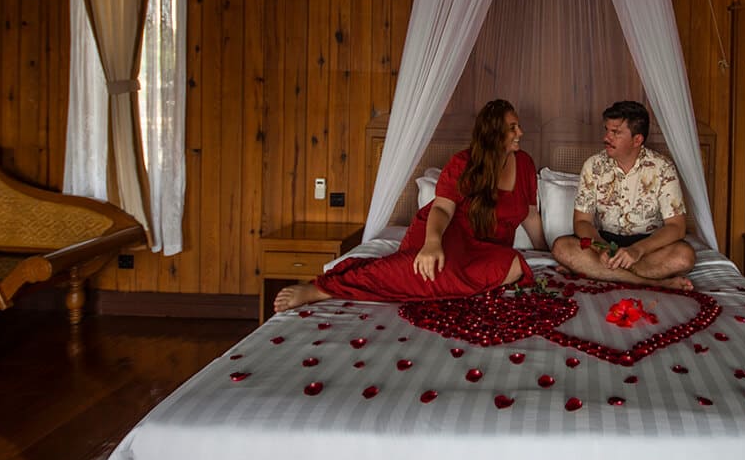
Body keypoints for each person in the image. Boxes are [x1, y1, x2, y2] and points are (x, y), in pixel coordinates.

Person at [273, 99, 546, 311]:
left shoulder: (524, 164)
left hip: (486, 250)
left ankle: (434, 282)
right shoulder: (463, 164)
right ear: (493, 133)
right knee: (437, 266)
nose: (520, 132)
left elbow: (530, 215)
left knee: (514, 266)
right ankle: (324, 289)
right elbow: (441, 209)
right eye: (512, 128)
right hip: (449, 234)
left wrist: (546, 252)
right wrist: (432, 242)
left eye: (517, 126)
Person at [551, 101, 696, 290]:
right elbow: (581, 222)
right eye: (607, 130)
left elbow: (677, 227)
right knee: (561, 247)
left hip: (648, 245)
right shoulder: (593, 165)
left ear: (637, 140)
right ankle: (651, 282)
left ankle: (597, 271)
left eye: (616, 132)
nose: (606, 137)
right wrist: (602, 248)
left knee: (685, 256)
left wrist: (637, 250)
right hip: (604, 241)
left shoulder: (663, 168)